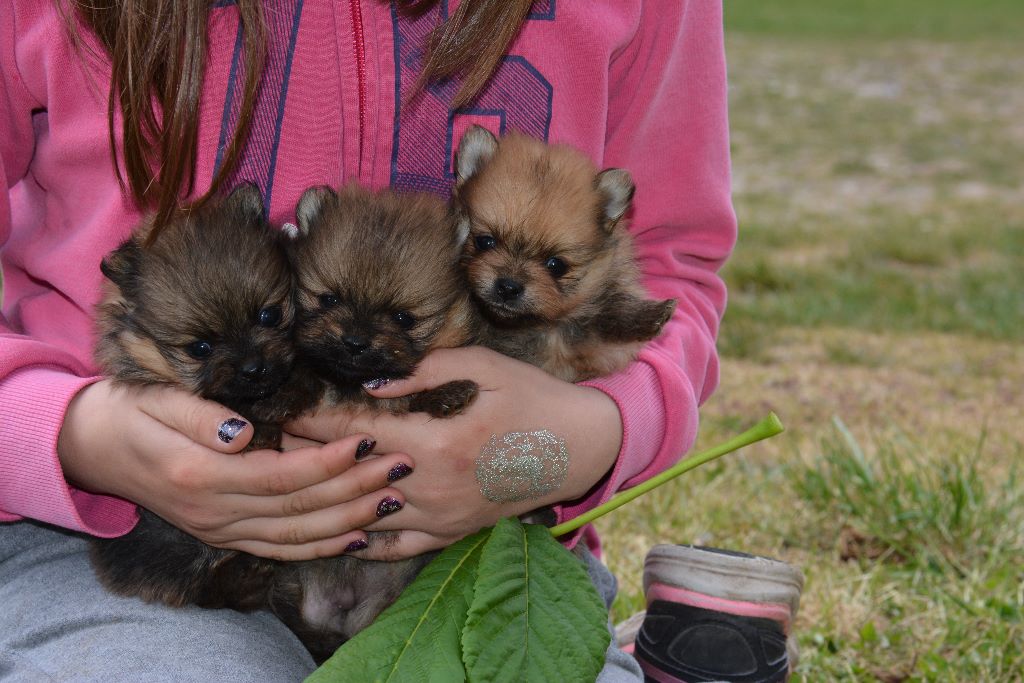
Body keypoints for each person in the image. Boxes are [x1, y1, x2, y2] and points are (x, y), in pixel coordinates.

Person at [0, 1, 801, 681]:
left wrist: (583, 438)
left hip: (472, 555)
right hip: (99, 541)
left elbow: (668, 267)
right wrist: (68, 433)